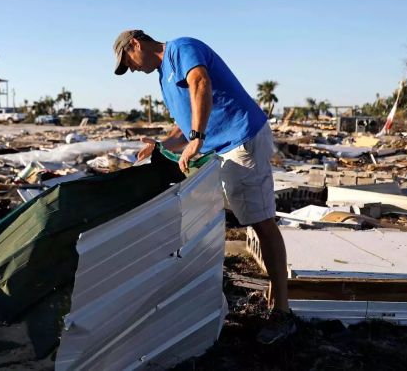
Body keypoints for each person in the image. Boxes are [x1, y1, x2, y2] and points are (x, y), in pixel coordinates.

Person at [112, 29, 295, 344]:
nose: (133, 69)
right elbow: (182, 122)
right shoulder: (163, 76)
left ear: (136, 44)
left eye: (128, 61)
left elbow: (200, 83)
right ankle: (268, 297)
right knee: (244, 219)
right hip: (222, 148)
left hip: (241, 138)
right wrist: (160, 145)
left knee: (262, 223)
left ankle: (282, 311)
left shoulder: (181, 49)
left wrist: (197, 138)